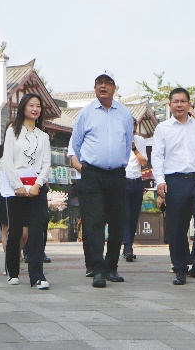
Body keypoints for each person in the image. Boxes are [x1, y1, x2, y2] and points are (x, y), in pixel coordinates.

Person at [71, 71, 133, 288]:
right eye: (99, 83)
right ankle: (97, 269)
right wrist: (87, 166)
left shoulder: (124, 113)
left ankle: (111, 267)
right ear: (95, 88)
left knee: (117, 222)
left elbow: (127, 143)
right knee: (94, 222)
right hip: (92, 175)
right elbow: (76, 145)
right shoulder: (86, 113)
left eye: (108, 83)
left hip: (116, 174)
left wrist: (118, 162)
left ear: (115, 88)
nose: (103, 86)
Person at [152, 87, 195, 286]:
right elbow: (157, 157)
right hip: (174, 181)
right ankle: (180, 268)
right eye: (175, 101)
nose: (179, 105)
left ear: (189, 104)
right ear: (170, 105)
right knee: (177, 228)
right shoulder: (163, 128)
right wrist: (160, 180)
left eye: (183, 101)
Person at [0, 93, 51, 290]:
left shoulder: (43, 136)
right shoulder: (13, 131)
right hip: (16, 187)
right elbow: (7, 161)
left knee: (37, 231)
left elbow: (46, 163)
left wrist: (38, 184)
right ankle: (12, 270)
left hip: (37, 187)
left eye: (38, 106)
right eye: (31, 105)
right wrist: (17, 185)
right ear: (23, 107)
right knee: (16, 231)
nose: (35, 109)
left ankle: (37, 276)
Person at [0, 140, 29, 275]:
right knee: (6, 229)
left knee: (24, 232)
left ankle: (16, 253)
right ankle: (9, 262)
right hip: (3, 191)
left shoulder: (26, 149)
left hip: (22, 191)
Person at [121, 118, 148, 262]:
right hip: (123, 180)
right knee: (125, 215)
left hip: (137, 180)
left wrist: (134, 148)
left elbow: (143, 162)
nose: (132, 131)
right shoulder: (118, 140)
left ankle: (128, 246)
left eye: (133, 128)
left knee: (134, 216)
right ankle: (127, 247)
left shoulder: (140, 140)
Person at [67, 137, 94, 276]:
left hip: (107, 179)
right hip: (85, 180)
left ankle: (109, 264)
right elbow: (75, 162)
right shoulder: (76, 135)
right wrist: (92, 176)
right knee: (88, 221)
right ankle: (91, 264)